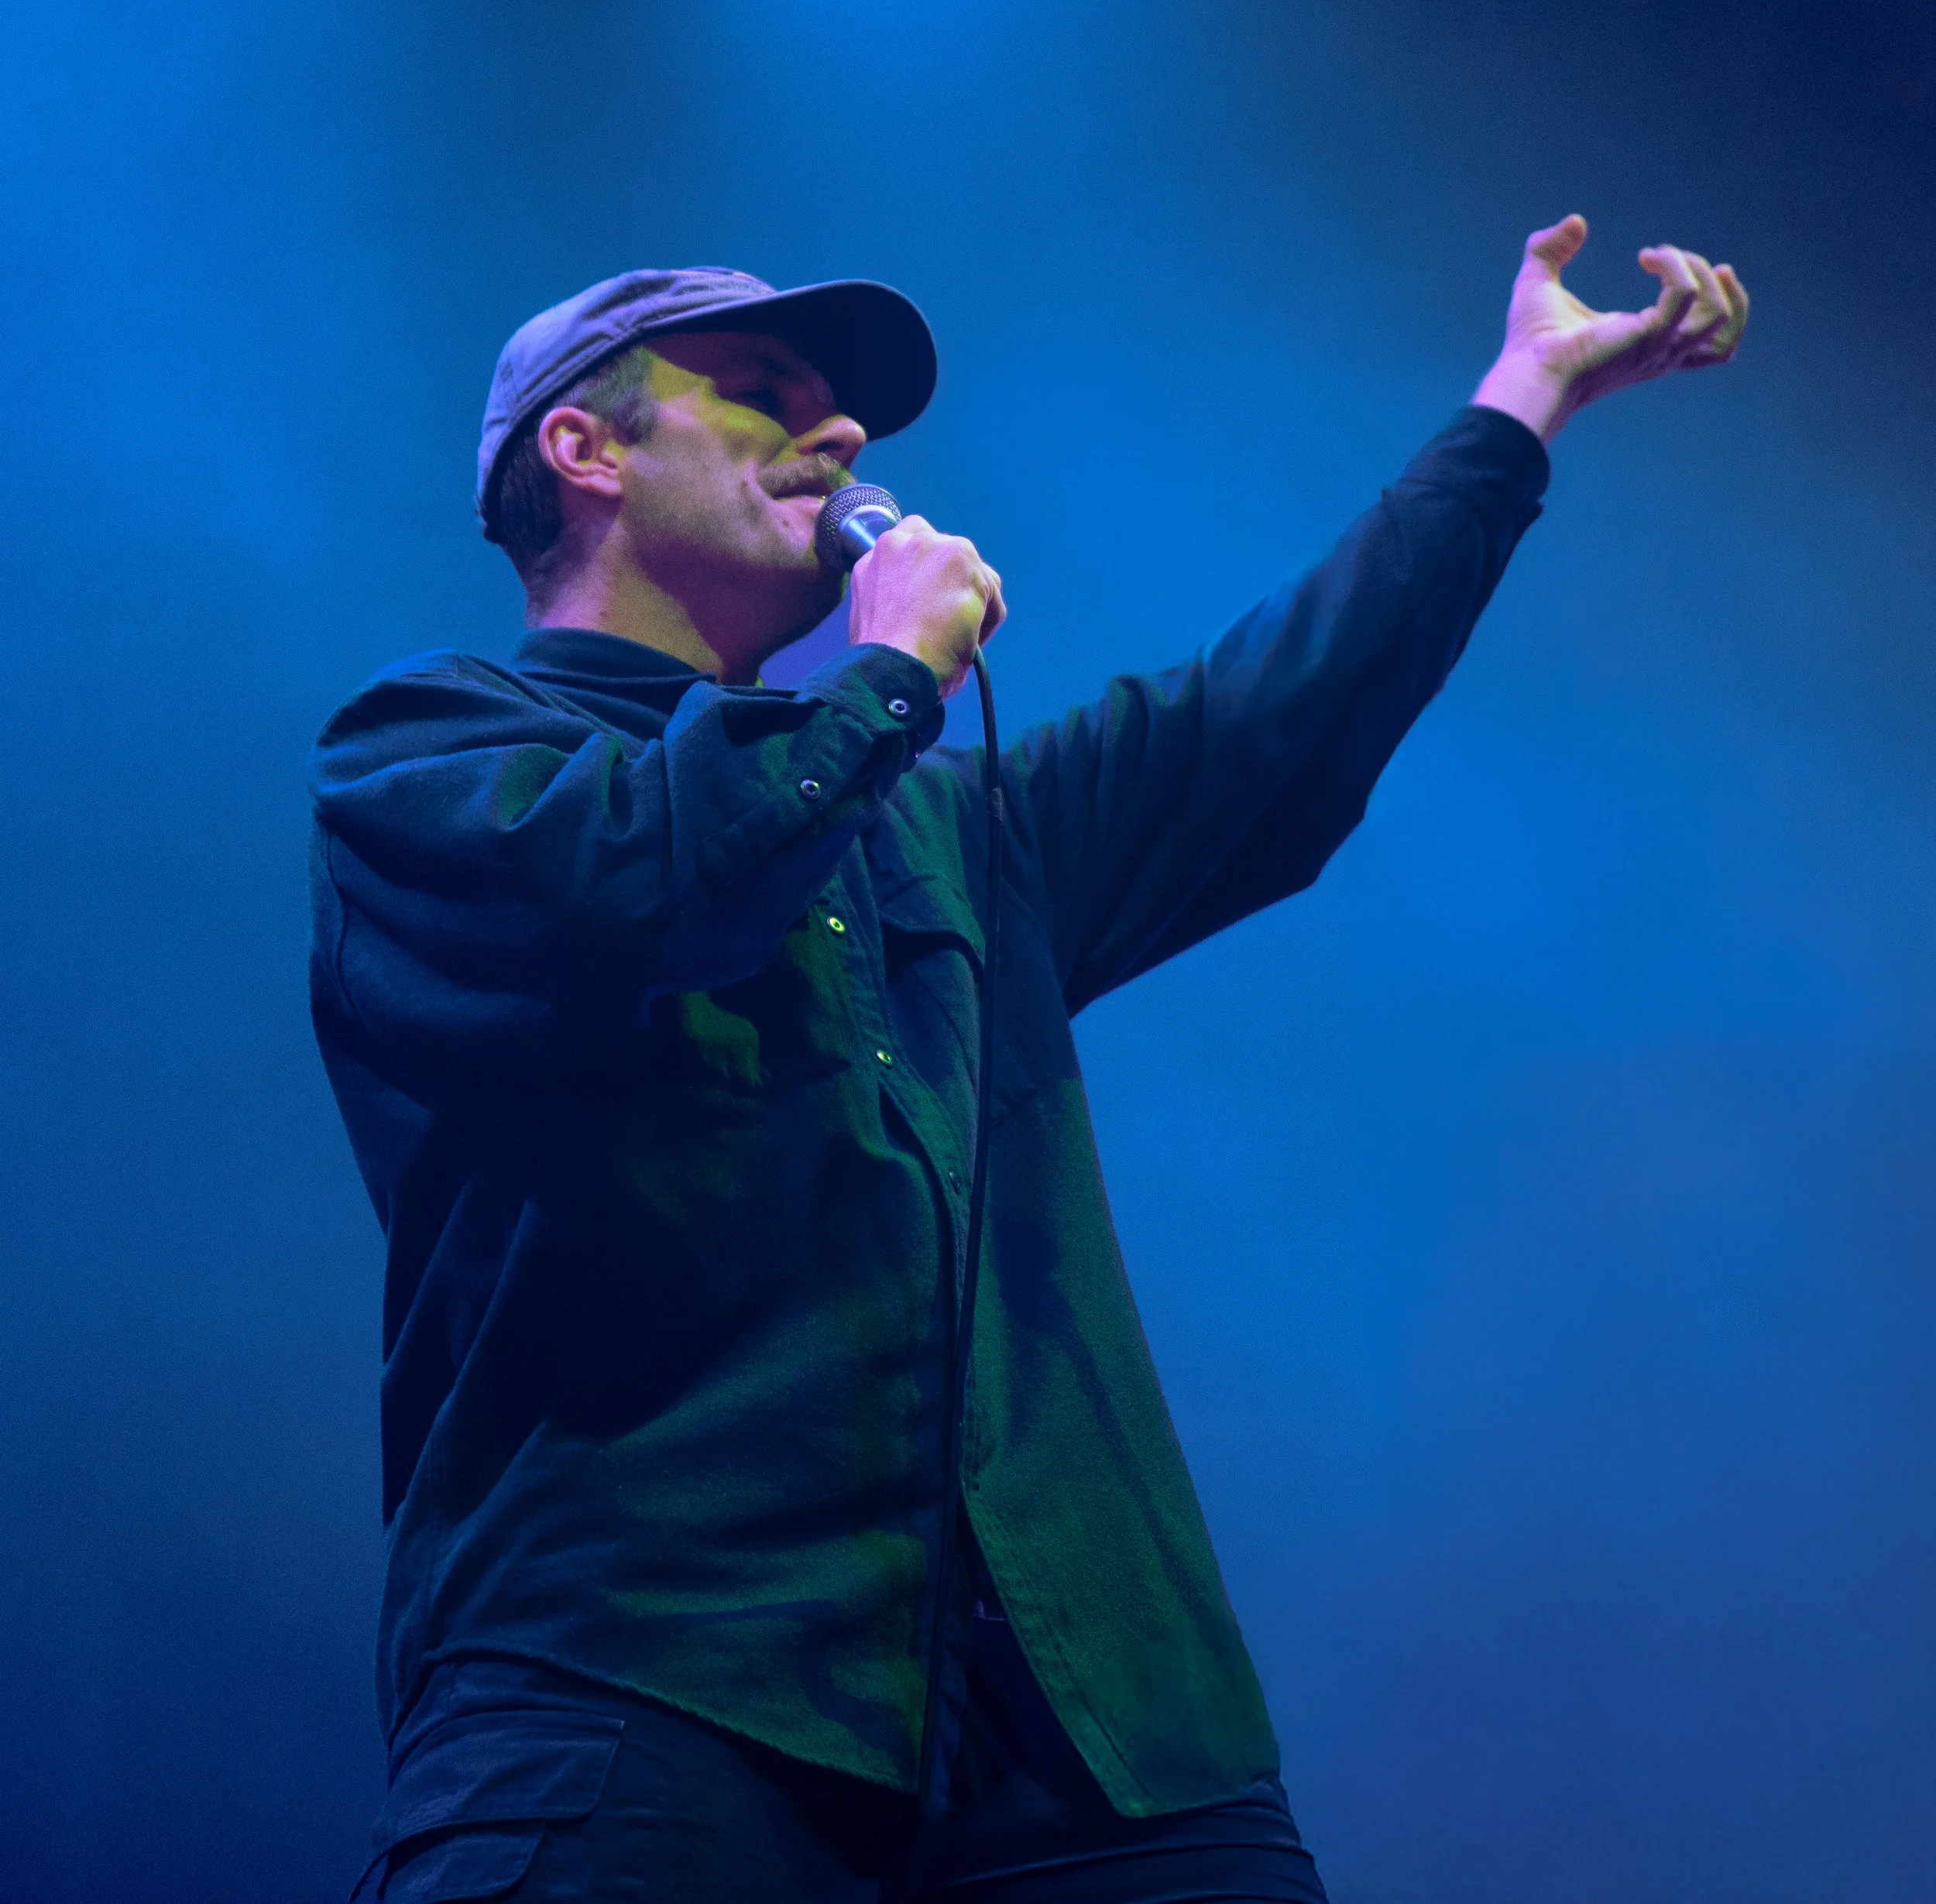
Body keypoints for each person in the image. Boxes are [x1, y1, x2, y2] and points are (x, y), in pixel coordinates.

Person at [309, 217, 1746, 1903]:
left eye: (846, 413)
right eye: (766, 395)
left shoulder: (943, 822)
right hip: (643, 1686)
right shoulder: (427, 757)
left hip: (1085, 1727)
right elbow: (644, 885)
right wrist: (876, 679)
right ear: (585, 446)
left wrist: (1517, 403)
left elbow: (1269, 724)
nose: (841, 436)